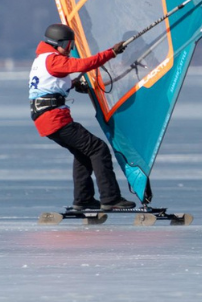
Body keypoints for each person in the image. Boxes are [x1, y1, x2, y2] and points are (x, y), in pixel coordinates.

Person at [29, 23, 135, 212]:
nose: (70, 49)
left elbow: (52, 83)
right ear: (58, 43)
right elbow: (84, 64)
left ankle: (83, 199)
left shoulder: (42, 59)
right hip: (54, 118)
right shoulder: (53, 60)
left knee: (83, 152)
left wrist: (73, 84)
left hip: (46, 117)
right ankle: (111, 198)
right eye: (69, 45)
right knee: (98, 149)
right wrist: (112, 52)